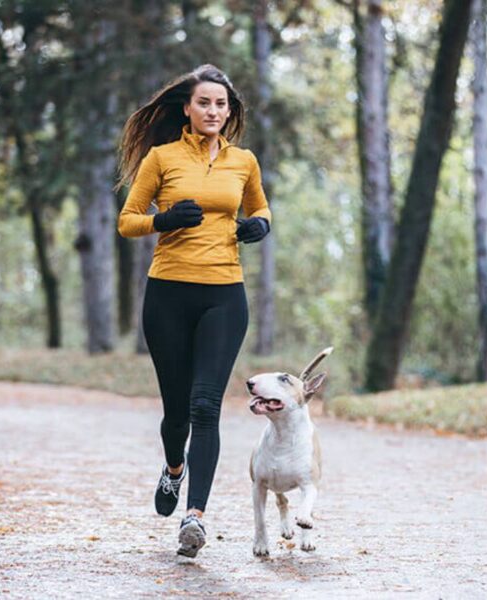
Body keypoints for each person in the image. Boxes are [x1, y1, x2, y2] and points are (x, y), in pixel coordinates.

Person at [116, 64, 271, 558]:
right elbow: (127, 222)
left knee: (207, 406)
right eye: (204, 102)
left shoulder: (244, 161)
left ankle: (195, 517)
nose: (213, 111)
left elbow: (261, 208)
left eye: (221, 104)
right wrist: (161, 219)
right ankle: (174, 469)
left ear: (229, 111)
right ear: (187, 107)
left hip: (224, 295)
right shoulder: (161, 158)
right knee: (177, 412)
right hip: (168, 295)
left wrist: (259, 227)